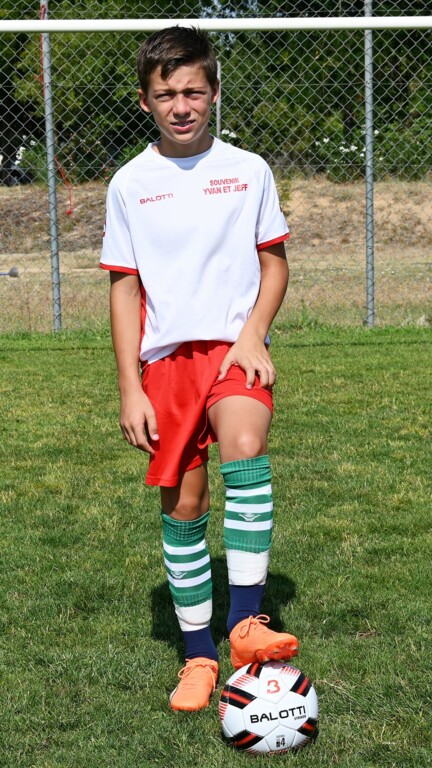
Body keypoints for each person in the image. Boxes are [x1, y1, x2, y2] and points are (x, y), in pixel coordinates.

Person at [100, 25, 298, 712]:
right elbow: (124, 288)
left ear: (213, 92)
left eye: (192, 91)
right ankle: (198, 655)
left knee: (245, 447)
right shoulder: (130, 183)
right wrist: (130, 386)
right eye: (166, 95)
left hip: (233, 350)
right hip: (166, 365)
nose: (180, 106)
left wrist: (254, 335)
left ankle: (245, 625)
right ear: (144, 101)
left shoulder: (248, 170)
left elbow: (274, 263)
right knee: (185, 505)